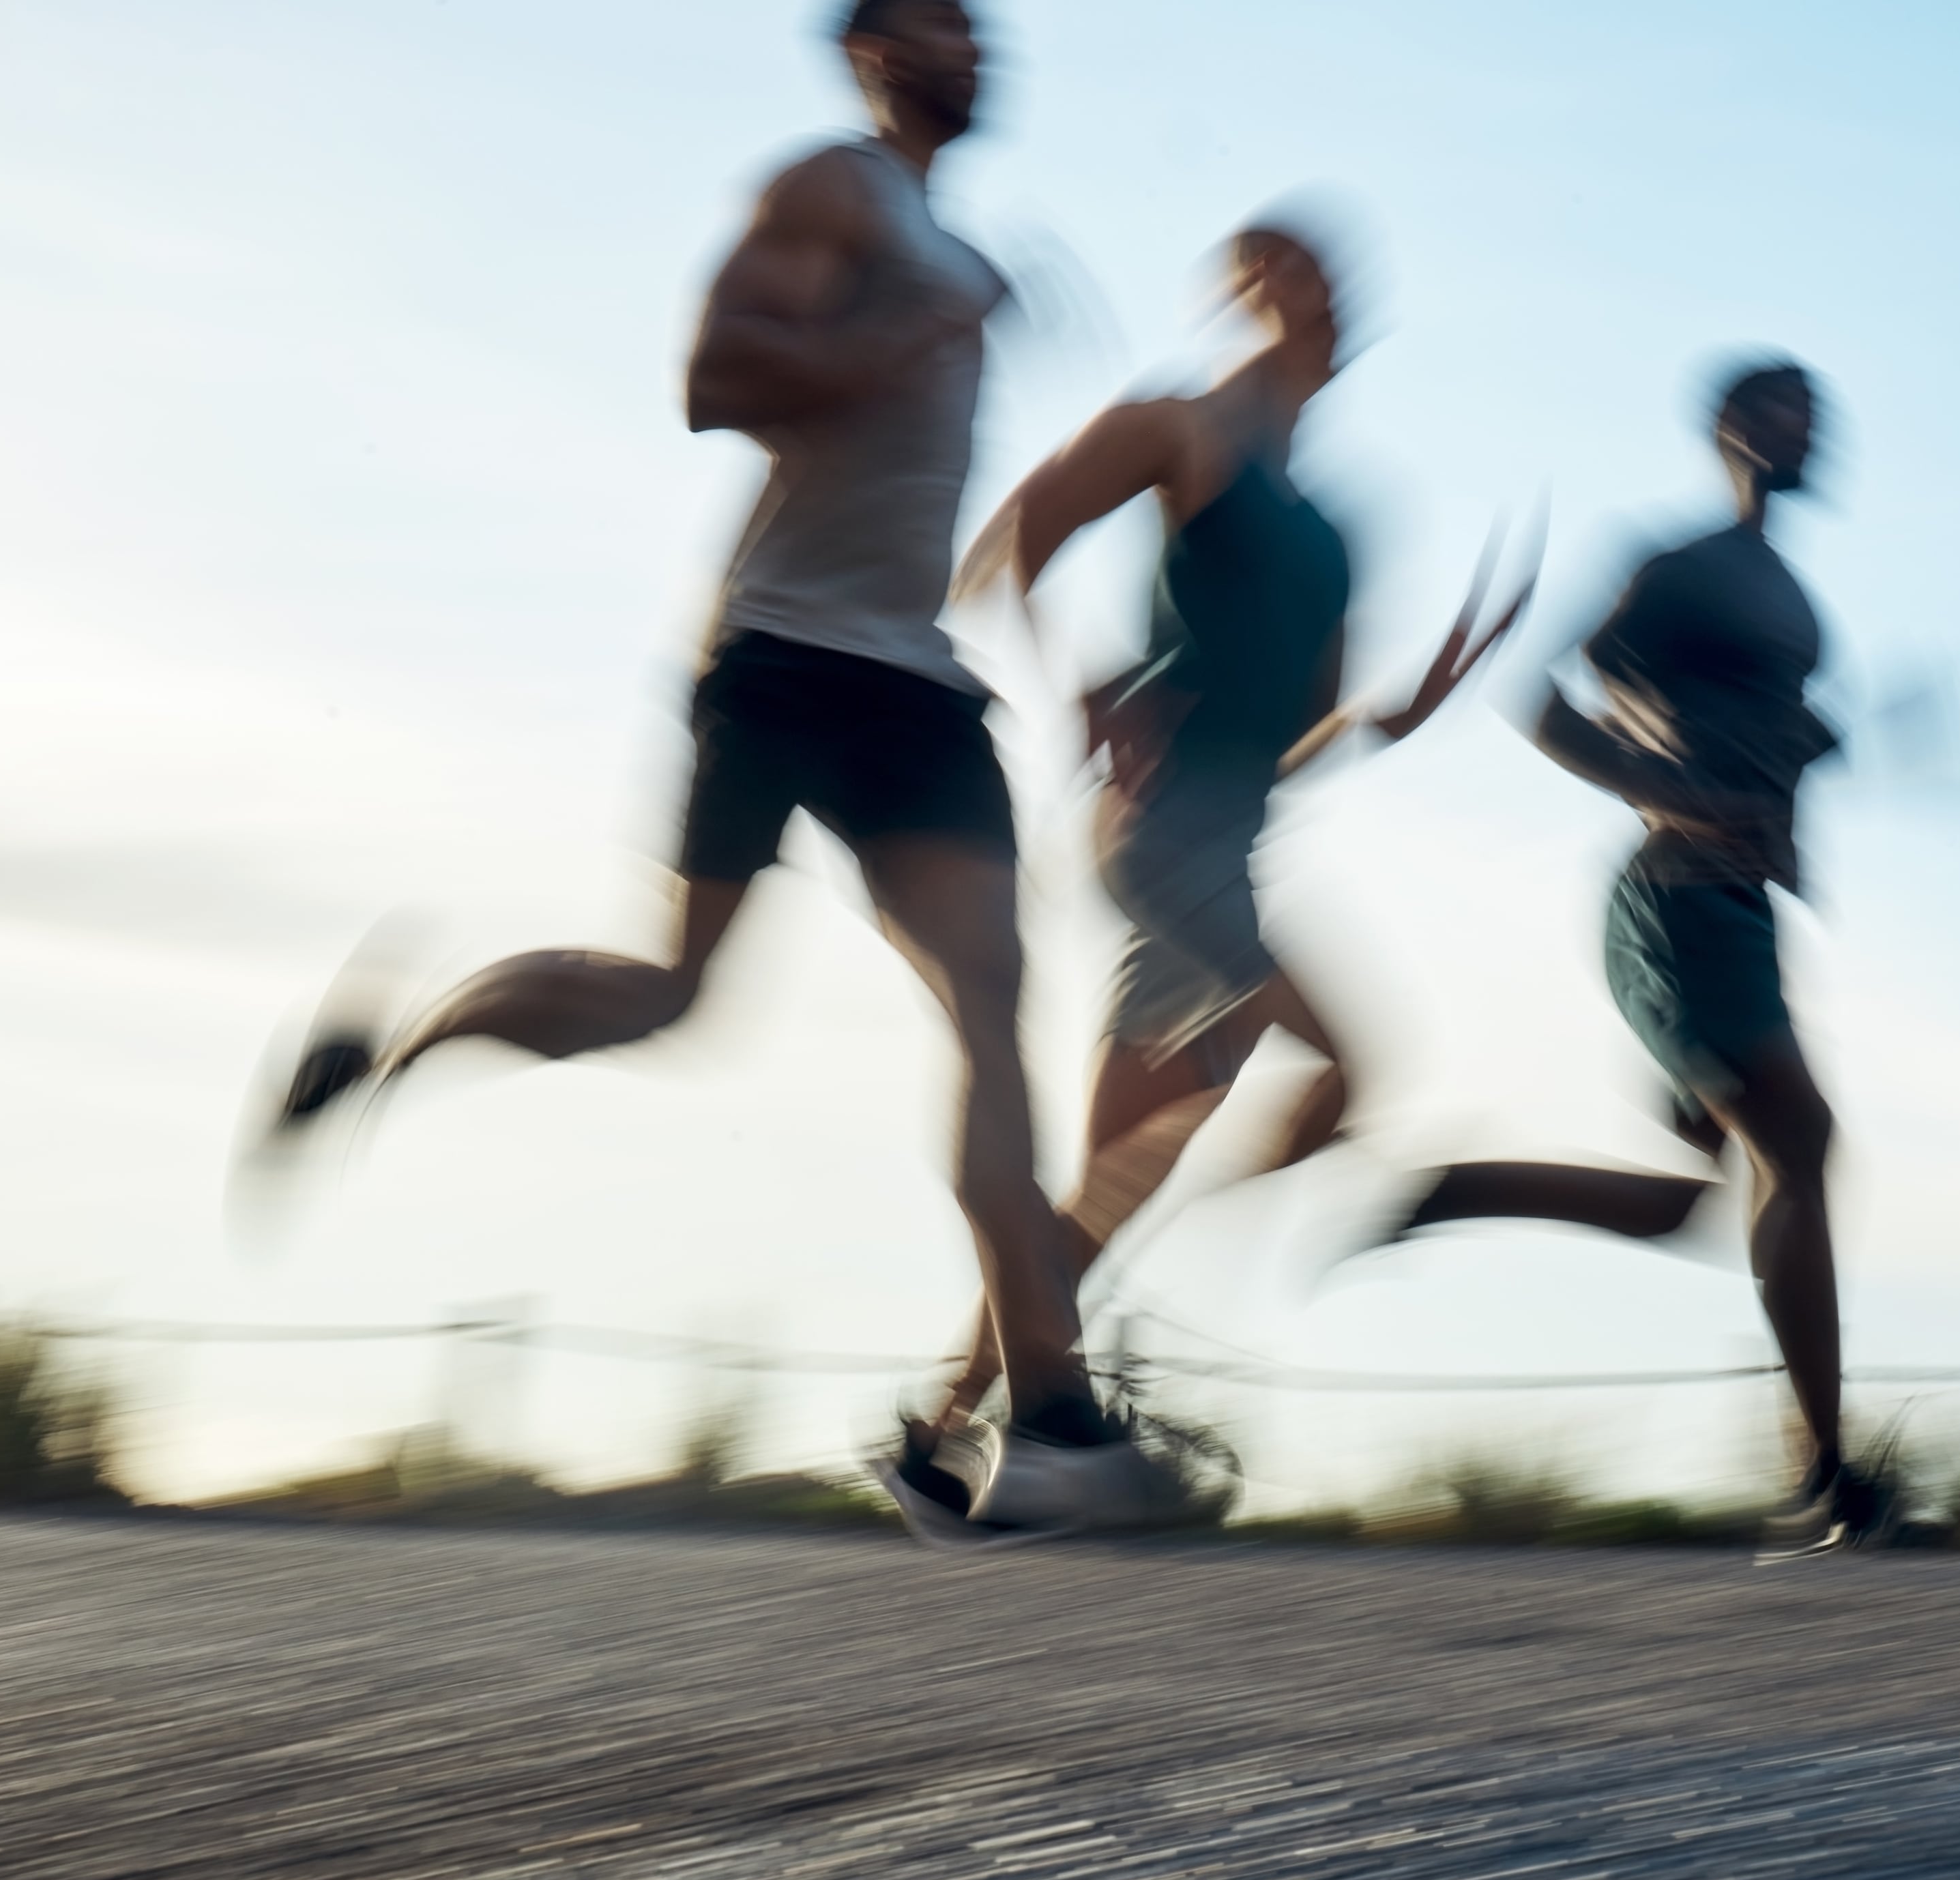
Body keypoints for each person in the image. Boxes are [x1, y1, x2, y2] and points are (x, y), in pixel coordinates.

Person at [257, 0, 1174, 1535]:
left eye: (980, 27)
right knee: (673, 998)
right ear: (869, 49)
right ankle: (398, 1045)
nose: (974, 47)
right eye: (938, 26)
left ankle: (1055, 1421)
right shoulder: (826, 187)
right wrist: (925, 331)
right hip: (776, 656)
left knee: (993, 1014)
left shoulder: (936, 230)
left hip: (911, 678)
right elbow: (715, 384)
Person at [873, 220, 1532, 1540]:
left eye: (1340, 283)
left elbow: (1306, 729)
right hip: (1157, 839)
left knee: (1115, 1174)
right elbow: (1010, 541)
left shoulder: (1338, 532)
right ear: (1234, 292)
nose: (1320, 294)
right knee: (1352, 1064)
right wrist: (1087, 679)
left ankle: (941, 1437)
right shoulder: (1184, 429)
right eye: (1286, 267)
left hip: (1230, 845)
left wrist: (1400, 715)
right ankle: (1190, 1288)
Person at [1391, 357, 1874, 1559]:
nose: (1801, 429)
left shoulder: (1791, 598)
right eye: (1776, 408)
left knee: (1696, 1206)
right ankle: (1827, 1474)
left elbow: (1750, 745)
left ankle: (1459, 1184)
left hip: (1739, 914)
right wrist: (1676, 790)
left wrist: (1792, 776)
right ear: (1725, 428)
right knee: (1805, 1148)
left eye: (1816, 414)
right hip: (1674, 900)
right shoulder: (1682, 567)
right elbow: (1544, 699)